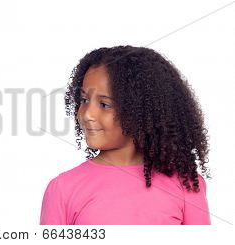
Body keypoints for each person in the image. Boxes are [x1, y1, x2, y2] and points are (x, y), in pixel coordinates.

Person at [40, 46, 211, 225]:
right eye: (84, 100)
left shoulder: (187, 186)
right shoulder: (62, 189)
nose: (87, 114)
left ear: (141, 112)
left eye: (104, 105)